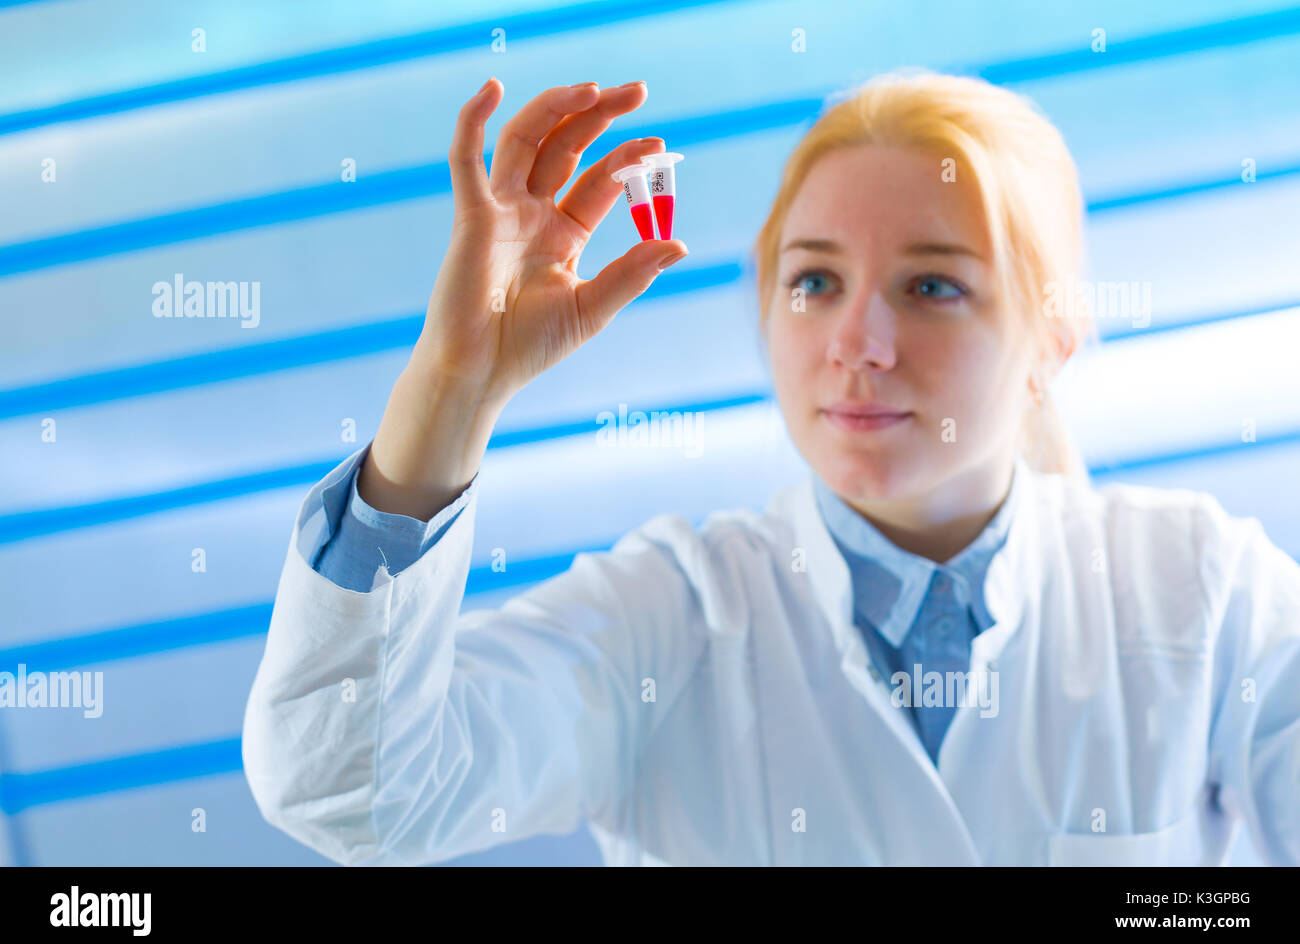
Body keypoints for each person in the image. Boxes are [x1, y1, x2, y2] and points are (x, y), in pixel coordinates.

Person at [242, 72, 1300, 866]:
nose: (860, 342)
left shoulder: (1200, 592)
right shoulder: (670, 618)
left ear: (1051, 342)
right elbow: (353, 788)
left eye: (932, 286)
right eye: (814, 282)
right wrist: (451, 392)